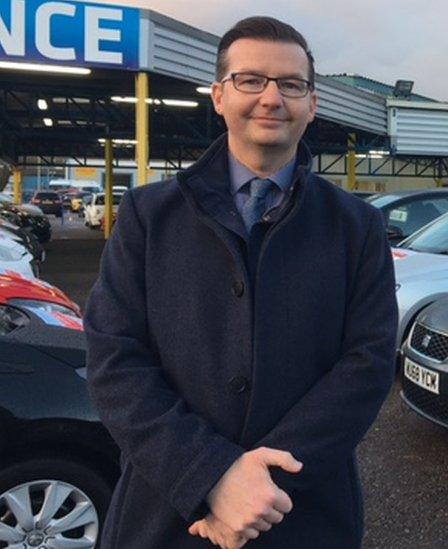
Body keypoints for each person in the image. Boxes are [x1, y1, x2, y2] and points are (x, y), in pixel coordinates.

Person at [84, 16, 397, 549]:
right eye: (251, 80)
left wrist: (261, 486)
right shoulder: (147, 215)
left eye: (291, 84)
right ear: (218, 97)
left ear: (312, 104)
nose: (272, 98)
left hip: (303, 514)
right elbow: (115, 359)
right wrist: (210, 475)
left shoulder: (356, 226)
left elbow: (367, 364)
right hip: (167, 512)